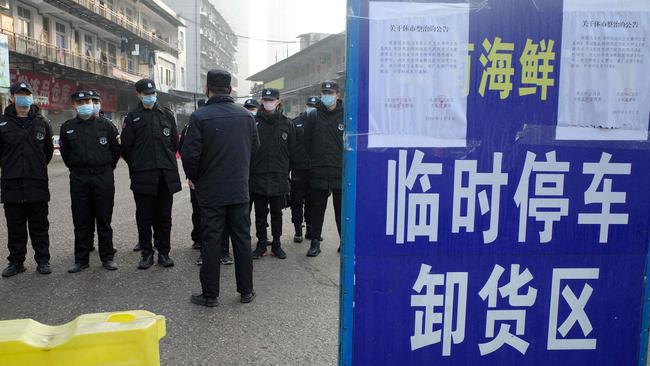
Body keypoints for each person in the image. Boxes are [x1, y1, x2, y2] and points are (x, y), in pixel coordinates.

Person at [182, 69, 258, 307]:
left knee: (212, 240)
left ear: (208, 89)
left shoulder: (200, 117)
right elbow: (255, 148)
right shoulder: (246, 116)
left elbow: (190, 154)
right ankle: (246, 291)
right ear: (231, 89)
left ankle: (210, 294)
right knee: (242, 239)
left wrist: (193, 177)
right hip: (239, 189)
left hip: (211, 190)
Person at [121, 79, 181, 269]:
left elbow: (174, 143)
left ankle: (164, 252)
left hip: (165, 175)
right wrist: (140, 164)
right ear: (138, 94)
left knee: (164, 216)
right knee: (144, 216)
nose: (150, 96)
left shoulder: (167, 115)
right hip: (143, 175)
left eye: (152, 93)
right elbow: (126, 149)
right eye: (146, 94)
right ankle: (147, 253)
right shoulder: (132, 118)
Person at [59, 91, 120, 273]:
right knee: (81, 220)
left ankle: (107, 257)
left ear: (94, 103)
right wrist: (79, 168)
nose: (85, 104)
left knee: (104, 219)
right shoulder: (67, 127)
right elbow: (65, 154)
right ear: (74, 106)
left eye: (88, 101)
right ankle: (81, 259)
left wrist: (106, 168)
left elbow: (115, 151)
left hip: (103, 176)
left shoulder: (107, 126)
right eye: (80, 102)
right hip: (79, 177)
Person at [0, 81, 53, 277]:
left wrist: (34, 168)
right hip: (12, 184)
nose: (24, 97)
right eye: (20, 94)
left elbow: (47, 153)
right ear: (12, 97)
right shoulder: (2, 123)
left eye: (27, 93)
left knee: (40, 226)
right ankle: (16, 262)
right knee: (15, 227)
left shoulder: (42, 123)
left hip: (36, 183)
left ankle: (43, 260)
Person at [178, 99, 233, 267]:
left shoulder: (224, 124)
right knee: (202, 216)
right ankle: (204, 248)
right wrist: (192, 176)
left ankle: (223, 250)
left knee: (224, 217)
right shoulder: (191, 126)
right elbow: (185, 151)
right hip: (200, 179)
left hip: (223, 177)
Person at [250, 88, 297, 260]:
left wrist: (286, 171)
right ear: (261, 101)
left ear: (278, 101)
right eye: (265, 100)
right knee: (260, 213)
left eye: (272, 100)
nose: (268, 103)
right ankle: (261, 243)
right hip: (258, 175)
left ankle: (276, 244)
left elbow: (293, 152)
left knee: (277, 213)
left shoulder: (287, 123)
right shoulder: (253, 122)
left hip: (279, 176)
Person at [303, 81, 344, 257]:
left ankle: (345, 243)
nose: (327, 96)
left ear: (338, 95)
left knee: (342, 211)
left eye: (330, 92)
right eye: (324, 93)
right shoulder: (313, 116)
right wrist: (313, 161)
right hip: (319, 169)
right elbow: (306, 141)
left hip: (340, 170)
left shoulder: (346, 115)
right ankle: (314, 243)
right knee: (317, 209)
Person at [290, 96, 319, 243]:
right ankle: (297, 230)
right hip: (298, 169)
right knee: (296, 201)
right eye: (309, 105)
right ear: (305, 106)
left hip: (314, 169)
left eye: (314, 106)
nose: (311, 108)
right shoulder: (295, 123)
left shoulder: (321, 123)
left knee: (312, 202)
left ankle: (310, 229)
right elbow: (290, 147)